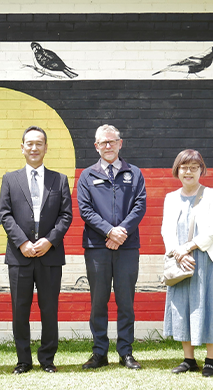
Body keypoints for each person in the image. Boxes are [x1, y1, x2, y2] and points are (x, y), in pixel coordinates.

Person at [0, 126, 73, 374]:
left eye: (38, 143)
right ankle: (23, 360)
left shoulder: (59, 179)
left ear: (45, 147)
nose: (33, 148)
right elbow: (5, 214)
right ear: (22, 148)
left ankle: (47, 359)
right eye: (29, 143)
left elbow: (66, 216)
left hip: (49, 255)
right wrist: (23, 242)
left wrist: (49, 241)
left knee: (49, 308)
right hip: (20, 256)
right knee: (20, 309)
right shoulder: (10, 179)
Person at [76, 124, 147, 370]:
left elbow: (139, 206)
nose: (108, 146)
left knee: (126, 301)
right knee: (98, 301)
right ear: (96, 146)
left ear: (120, 143)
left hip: (127, 247)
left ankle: (125, 352)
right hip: (97, 247)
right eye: (102, 143)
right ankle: (99, 352)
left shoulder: (134, 173)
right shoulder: (87, 176)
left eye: (112, 141)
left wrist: (120, 233)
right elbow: (85, 210)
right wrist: (109, 231)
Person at [161, 150, 213, 377]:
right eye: (183, 167)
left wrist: (187, 248)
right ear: (177, 170)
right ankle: (189, 359)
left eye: (193, 167)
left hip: (209, 259)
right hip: (181, 260)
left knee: (211, 304)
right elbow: (166, 231)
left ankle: (211, 359)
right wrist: (178, 253)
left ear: (201, 170)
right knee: (183, 305)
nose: (188, 171)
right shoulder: (171, 198)